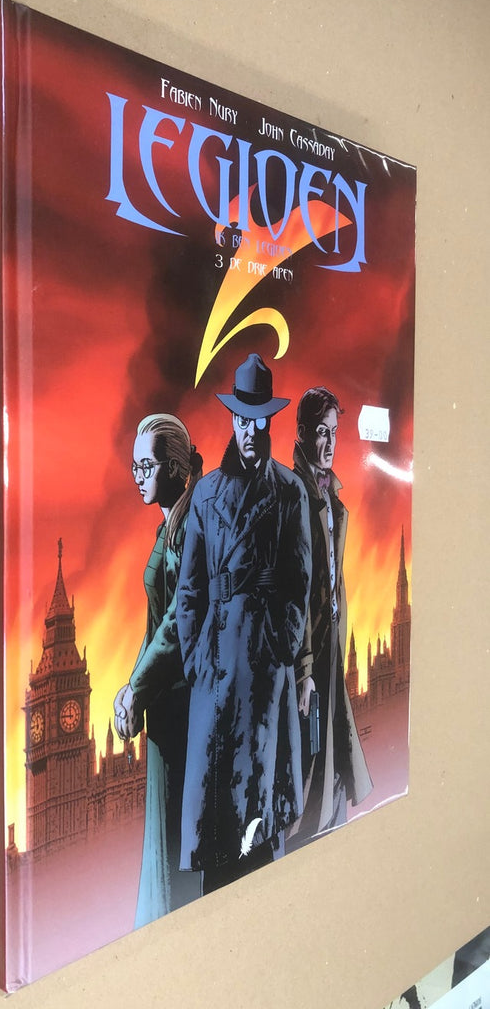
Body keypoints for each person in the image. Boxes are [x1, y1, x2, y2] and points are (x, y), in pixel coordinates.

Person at [176, 353, 312, 894]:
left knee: (263, 822)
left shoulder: (289, 492)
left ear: (269, 421)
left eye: (259, 419)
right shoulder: (205, 494)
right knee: (218, 829)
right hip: (215, 677)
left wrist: (280, 646)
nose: (251, 430)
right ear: (232, 419)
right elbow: (189, 591)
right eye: (242, 419)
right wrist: (196, 661)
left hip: (264, 674)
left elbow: (299, 585)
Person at [113, 413, 203, 926]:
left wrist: (137, 690)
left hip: (185, 711)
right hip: (164, 709)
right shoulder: (169, 526)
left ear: (173, 467)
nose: (138, 476)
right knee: (164, 841)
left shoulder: (191, 528)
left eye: (145, 466)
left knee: (176, 845)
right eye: (134, 467)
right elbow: (155, 625)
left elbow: (177, 624)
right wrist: (131, 689)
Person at [288, 386, 372, 847]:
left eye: (334, 432)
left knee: (332, 745)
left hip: (331, 643)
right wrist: (303, 670)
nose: (329, 443)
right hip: (309, 649)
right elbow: (296, 590)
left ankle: (332, 826)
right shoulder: (296, 495)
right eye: (321, 432)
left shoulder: (328, 493)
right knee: (310, 754)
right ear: (303, 433)